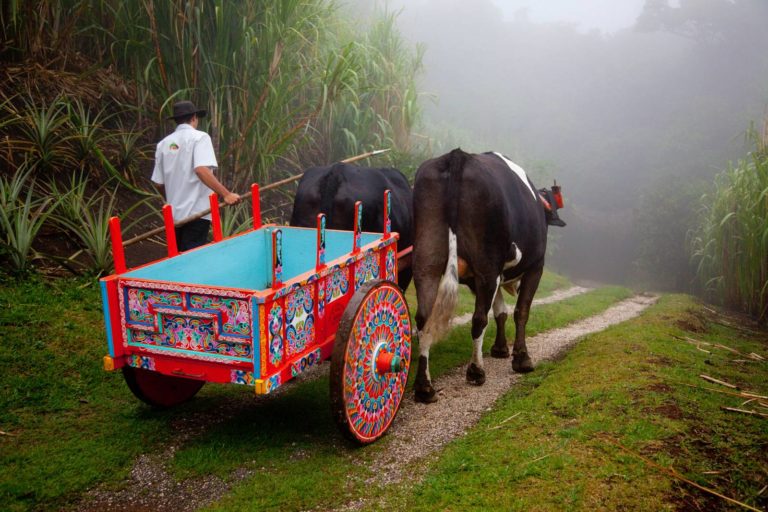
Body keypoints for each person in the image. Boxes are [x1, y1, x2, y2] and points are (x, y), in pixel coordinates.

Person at [151, 100, 240, 251]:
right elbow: (201, 170)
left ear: (176, 121)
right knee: (191, 258)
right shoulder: (200, 137)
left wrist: (171, 199)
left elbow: (158, 183)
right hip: (196, 213)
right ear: (194, 118)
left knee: (178, 258)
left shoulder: (163, 144)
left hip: (174, 216)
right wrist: (226, 194)